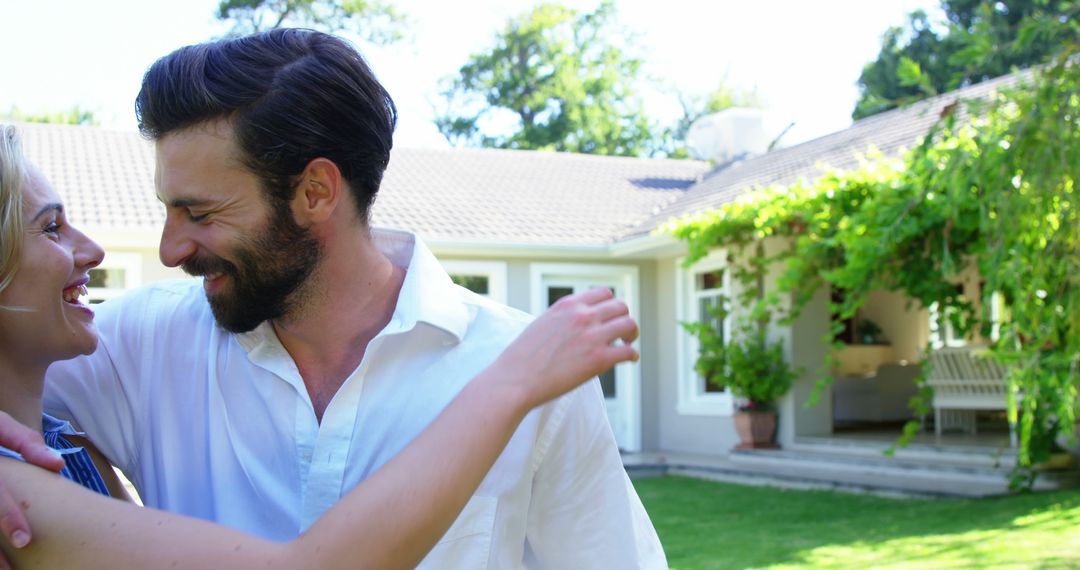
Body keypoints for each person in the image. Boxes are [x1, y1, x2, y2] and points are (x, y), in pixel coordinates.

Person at [8, 27, 665, 568]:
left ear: (316, 192)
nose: (170, 249)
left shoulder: (532, 372)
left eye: (199, 213)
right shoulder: (136, 346)